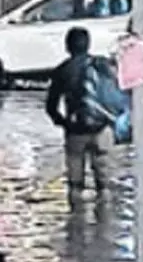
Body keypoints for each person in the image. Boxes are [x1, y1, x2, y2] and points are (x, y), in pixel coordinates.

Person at [46, 26, 115, 190]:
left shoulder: (62, 70)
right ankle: (105, 212)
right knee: (105, 184)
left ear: (67, 46)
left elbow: (51, 106)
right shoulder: (103, 65)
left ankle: (77, 212)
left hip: (76, 131)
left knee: (75, 184)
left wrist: (63, 123)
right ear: (88, 44)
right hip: (102, 129)